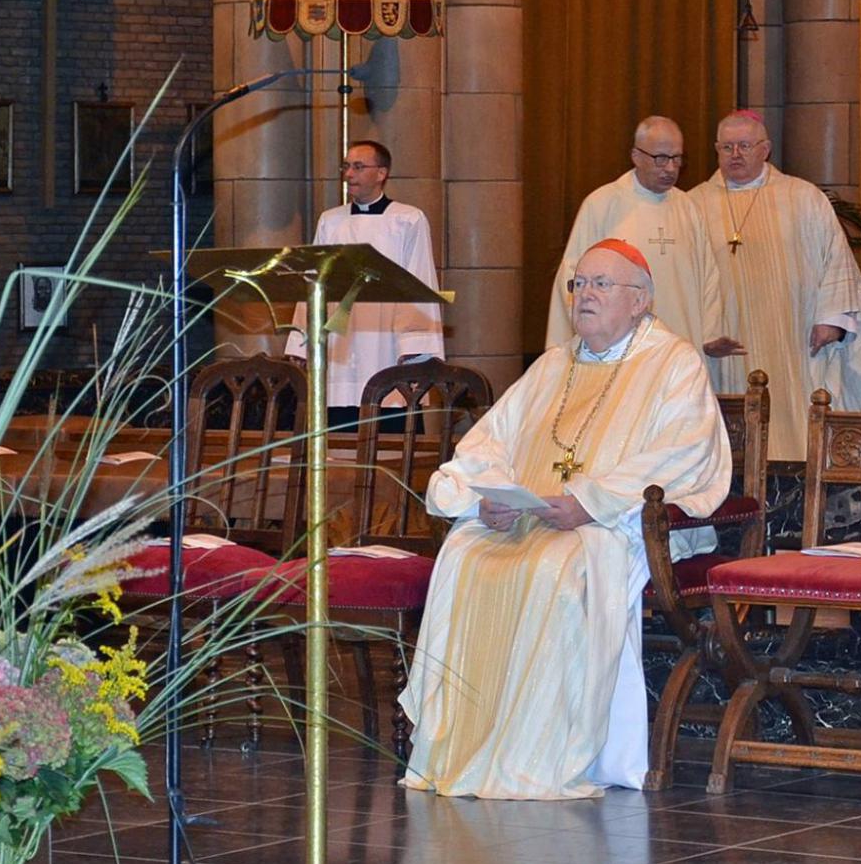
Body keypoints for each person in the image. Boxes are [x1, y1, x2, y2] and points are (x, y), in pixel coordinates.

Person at [401, 239, 730, 800]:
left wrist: (590, 502)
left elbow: (682, 450)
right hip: (534, 519)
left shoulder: (674, 363)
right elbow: (490, 441)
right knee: (465, 554)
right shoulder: (554, 364)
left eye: (602, 284)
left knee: (557, 570)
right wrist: (485, 498)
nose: (586, 295)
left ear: (640, 300)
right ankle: (463, 747)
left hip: (619, 526)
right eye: (580, 284)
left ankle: (543, 750)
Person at [688, 109, 861, 460]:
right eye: (726, 147)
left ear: (766, 149)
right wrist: (703, 333)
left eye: (744, 146)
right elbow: (682, 280)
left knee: (794, 423)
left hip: (794, 338)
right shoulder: (693, 205)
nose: (735, 155)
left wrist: (832, 321)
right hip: (727, 347)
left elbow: (836, 259)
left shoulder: (803, 198)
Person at [286, 139, 444, 425]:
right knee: (337, 430)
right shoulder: (330, 221)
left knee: (389, 429)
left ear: (381, 173)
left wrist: (415, 347)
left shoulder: (407, 219)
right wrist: (301, 342)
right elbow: (313, 280)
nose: (349, 174)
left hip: (387, 346)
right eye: (346, 166)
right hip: (339, 346)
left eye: (358, 167)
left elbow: (419, 280)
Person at [545, 116, 722, 362]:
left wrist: (710, 333)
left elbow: (709, 278)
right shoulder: (603, 204)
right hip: (619, 349)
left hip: (681, 347)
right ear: (636, 156)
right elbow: (573, 274)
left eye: (677, 159)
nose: (670, 168)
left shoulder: (688, 208)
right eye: (661, 159)